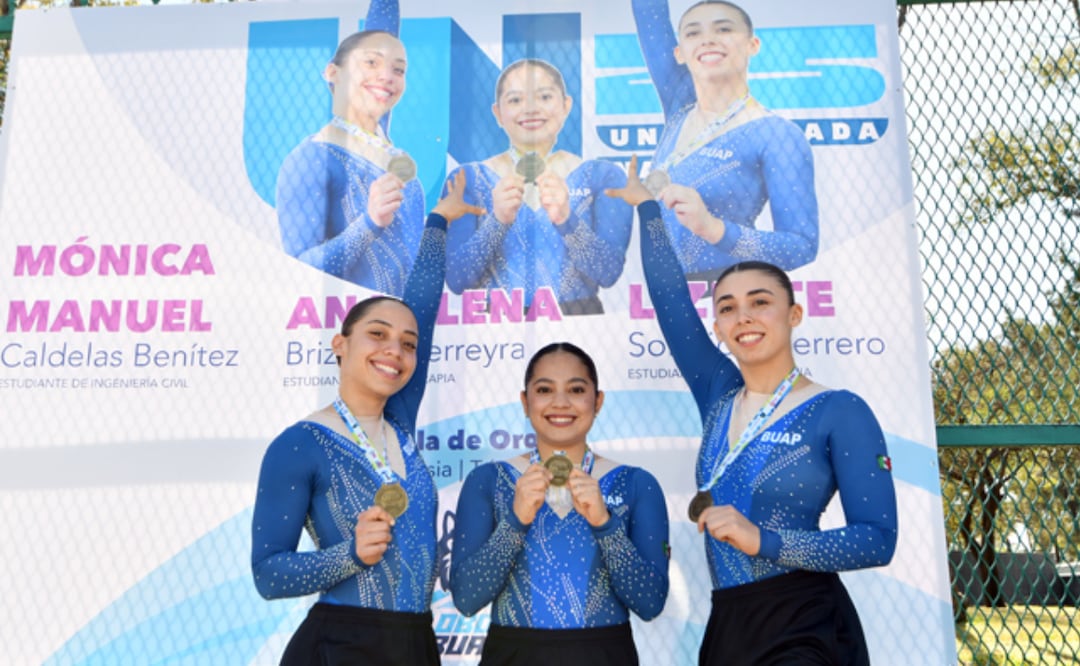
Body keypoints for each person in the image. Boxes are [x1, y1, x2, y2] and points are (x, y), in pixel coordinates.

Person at [607, 157, 896, 665]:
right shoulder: (719, 391)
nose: (743, 317)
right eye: (727, 308)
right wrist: (649, 210)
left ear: (794, 314)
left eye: (760, 302)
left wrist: (762, 539)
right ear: (717, 326)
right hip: (730, 623)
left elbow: (876, 540)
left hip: (806, 622)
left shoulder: (838, 410)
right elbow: (671, 300)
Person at [251, 173, 483, 665]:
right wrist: (349, 556)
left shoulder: (398, 419)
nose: (394, 351)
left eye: (407, 344)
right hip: (341, 645)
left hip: (417, 644)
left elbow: (421, 304)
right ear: (341, 344)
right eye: (377, 335)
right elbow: (268, 574)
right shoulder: (299, 444)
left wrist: (438, 220)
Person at [449, 342, 670, 664]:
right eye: (544, 389)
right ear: (525, 402)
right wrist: (515, 521)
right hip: (513, 654)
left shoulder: (636, 483)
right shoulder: (489, 480)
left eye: (576, 389)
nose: (561, 403)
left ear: (598, 400)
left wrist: (604, 525)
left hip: (604, 654)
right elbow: (467, 599)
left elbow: (650, 603)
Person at [632, 0, 819, 282]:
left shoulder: (777, 135)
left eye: (723, 29)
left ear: (752, 44)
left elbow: (801, 246)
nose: (708, 40)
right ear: (679, 52)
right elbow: (648, 12)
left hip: (727, 292)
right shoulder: (679, 108)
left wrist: (713, 228)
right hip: (658, 294)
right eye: (694, 33)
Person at [445, 59, 633, 315]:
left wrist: (566, 219)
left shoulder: (602, 176)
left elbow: (608, 272)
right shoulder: (468, 179)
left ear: (566, 105)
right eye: (515, 100)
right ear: (498, 113)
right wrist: (497, 221)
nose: (531, 109)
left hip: (578, 324)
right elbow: (458, 279)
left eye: (544, 97)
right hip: (494, 333)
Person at [275, 0, 425, 296]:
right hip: (345, 328)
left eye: (399, 69)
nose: (387, 76)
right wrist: (368, 224)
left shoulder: (396, 162)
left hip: (406, 328)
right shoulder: (314, 156)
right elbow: (300, 270)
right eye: (371, 62)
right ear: (333, 72)